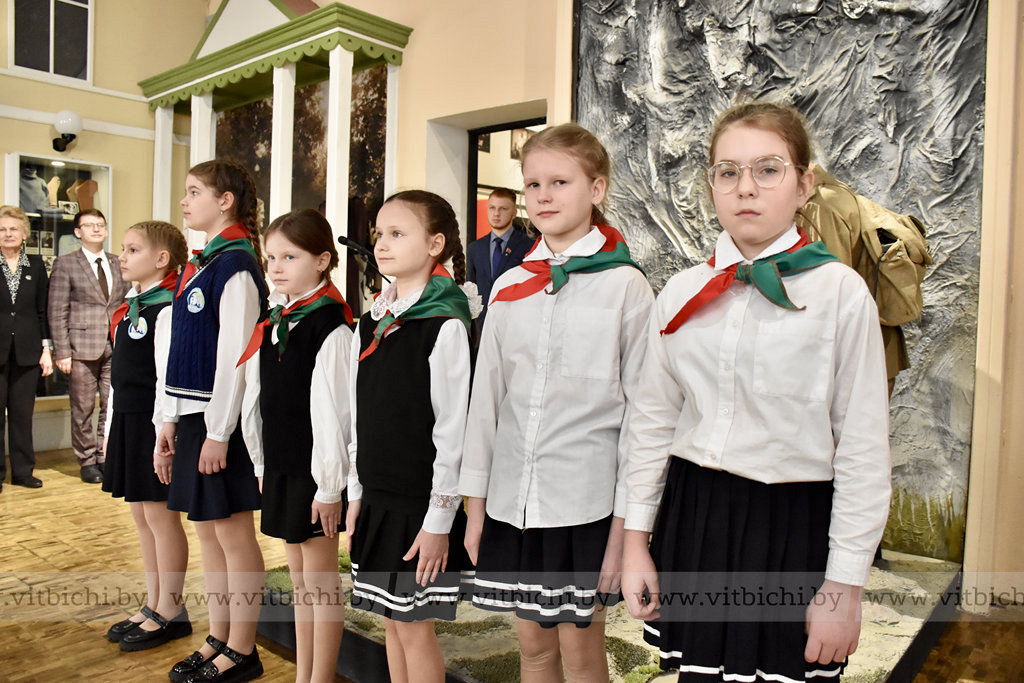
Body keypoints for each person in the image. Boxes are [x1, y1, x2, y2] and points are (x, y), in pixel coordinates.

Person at [621, 101, 892, 682]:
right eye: (728, 172)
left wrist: (844, 586)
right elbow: (651, 424)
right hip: (694, 517)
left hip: (790, 528)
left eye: (768, 169)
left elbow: (864, 448)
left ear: (804, 185)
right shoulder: (680, 293)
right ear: (712, 186)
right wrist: (635, 542)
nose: (745, 187)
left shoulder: (840, 294)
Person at [460, 123, 654, 682]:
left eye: (560, 182)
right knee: (532, 649)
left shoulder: (625, 286)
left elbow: (643, 417)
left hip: (585, 509)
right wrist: (476, 507)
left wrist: (626, 532)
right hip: (512, 504)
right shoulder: (509, 287)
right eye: (532, 184)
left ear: (597, 189)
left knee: (581, 652)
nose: (543, 196)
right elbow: (486, 403)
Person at [345, 190, 474, 683]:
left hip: (419, 506)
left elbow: (452, 432)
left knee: (414, 628)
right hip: (377, 498)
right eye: (380, 233)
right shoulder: (369, 323)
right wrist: (356, 493)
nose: (382, 244)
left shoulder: (444, 324)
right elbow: (361, 417)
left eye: (397, 234)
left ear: (435, 244)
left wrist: (439, 521)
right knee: (391, 625)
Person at [157, 160, 268, 683]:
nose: (184, 201)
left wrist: (219, 431)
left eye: (194, 191)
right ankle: (218, 637)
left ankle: (243, 649)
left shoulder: (236, 264)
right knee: (208, 533)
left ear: (225, 201)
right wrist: (172, 420)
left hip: (221, 420)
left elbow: (236, 357)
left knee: (233, 534)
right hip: (195, 416)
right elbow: (182, 351)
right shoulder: (202, 263)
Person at [238, 209, 354, 682]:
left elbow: (336, 417)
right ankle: (305, 673)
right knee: (301, 582)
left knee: (320, 584)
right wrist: (260, 462)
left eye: (290, 256)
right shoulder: (276, 318)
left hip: (316, 472)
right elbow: (258, 398)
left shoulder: (331, 326)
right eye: (271, 257)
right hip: (283, 464)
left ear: (322, 260)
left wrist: (328, 487)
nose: (277, 267)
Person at [102, 221, 192, 651]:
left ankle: (171, 610)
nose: (122, 256)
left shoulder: (168, 309)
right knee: (141, 516)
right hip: (127, 419)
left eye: (132, 250)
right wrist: (110, 429)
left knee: (160, 516)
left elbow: (165, 379)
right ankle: (154, 602)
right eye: (123, 248)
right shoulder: (130, 306)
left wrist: (163, 434)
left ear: (161, 259)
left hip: (152, 423)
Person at [48, 208, 129, 483]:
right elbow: (57, 310)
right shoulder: (66, 263)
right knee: (82, 407)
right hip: (80, 348)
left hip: (115, 344)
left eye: (100, 224)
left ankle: (105, 455)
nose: (96, 229)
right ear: (77, 232)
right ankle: (86, 460)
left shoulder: (118, 262)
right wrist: (62, 351)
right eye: (89, 225)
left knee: (111, 404)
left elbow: (126, 303)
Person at [0, 205, 53, 492]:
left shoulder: (36, 265)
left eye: (13, 229)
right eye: (2, 229)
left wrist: (47, 350)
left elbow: (42, 311)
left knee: (22, 415)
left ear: (24, 234)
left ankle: (23, 472)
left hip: (28, 351)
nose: (8, 234)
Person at [466, 187, 533, 326]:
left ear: (514, 213)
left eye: (503, 209)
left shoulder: (528, 246)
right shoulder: (475, 248)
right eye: (492, 208)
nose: (496, 213)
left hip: (515, 322)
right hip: (482, 325)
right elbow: (470, 290)